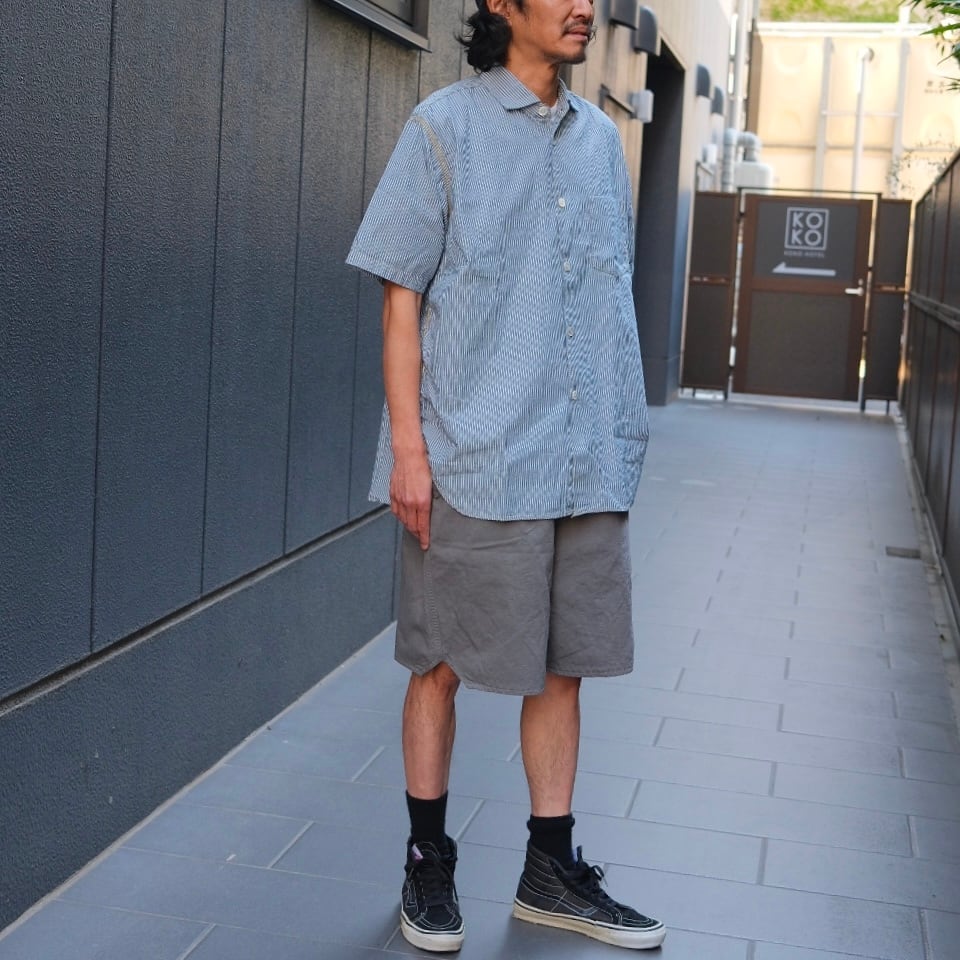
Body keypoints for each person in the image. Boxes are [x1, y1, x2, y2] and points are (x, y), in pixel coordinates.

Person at [346, 0, 663, 951]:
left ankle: (550, 871)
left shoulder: (601, 143)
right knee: (439, 662)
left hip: (585, 459)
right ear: (498, 5)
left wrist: (623, 431)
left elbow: (605, 294)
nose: (582, 8)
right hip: (476, 458)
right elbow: (400, 301)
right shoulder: (442, 128)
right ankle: (427, 863)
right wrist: (409, 450)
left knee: (565, 667)